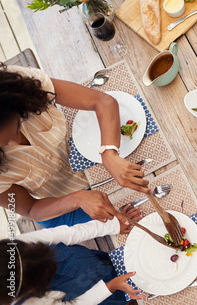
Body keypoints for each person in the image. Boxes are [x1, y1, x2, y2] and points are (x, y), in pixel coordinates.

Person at [0, 64, 150, 227]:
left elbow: (103, 101)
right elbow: (30, 209)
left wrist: (109, 153)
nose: (14, 143)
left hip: (87, 152)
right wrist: (77, 199)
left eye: (16, 129)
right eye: (4, 145)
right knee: (124, 222)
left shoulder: (14, 85)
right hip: (57, 205)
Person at [0, 207, 144, 304]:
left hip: (90, 261)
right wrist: (110, 287)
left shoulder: (12, 249)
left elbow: (67, 234)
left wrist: (113, 226)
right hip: (97, 296)